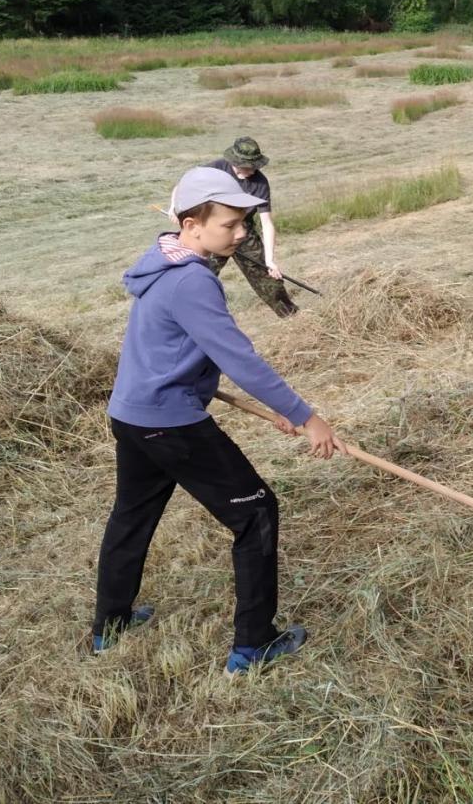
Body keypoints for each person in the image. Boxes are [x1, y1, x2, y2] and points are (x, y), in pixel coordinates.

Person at [93, 165, 344, 673]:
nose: (241, 232)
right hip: (171, 424)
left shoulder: (160, 265)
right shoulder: (192, 282)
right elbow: (240, 358)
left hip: (133, 415)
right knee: (256, 514)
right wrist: (306, 416)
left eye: (243, 223)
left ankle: (109, 626)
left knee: (132, 517)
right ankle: (253, 645)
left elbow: (169, 351)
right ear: (191, 224)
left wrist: (265, 407)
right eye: (229, 223)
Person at [205, 137, 297, 318]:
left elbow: (266, 223)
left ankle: (292, 317)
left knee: (267, 278)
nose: (251, 170)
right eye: (246, 166)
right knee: (200, 272)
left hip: (243, 230)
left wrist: (270, 260)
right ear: (234, 161)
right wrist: (175, 208)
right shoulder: (215, 169)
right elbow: (186, 183)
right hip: (214, 228)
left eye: (254, 166)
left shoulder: (260, 183)